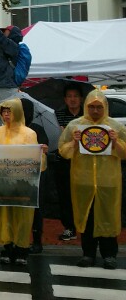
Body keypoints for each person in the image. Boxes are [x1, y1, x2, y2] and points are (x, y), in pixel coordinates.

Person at [58, 90, 126, 269]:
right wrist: (74, 142)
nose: (95, 110)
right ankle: (88, 254)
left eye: (99, 107)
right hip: (83, 182)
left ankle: (109, 255)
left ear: (105, 107)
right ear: (86, 106)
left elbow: (125, 153)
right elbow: (63, 151)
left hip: (108, 182)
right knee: (86, 218)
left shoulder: (115, 127)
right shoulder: (75, 126)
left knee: (108, 218)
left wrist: (115, 142)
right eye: (91, 107)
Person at [0, 98, 47, 267]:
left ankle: (22, 248)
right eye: (4, 111)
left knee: (23, 216)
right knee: (3, 215)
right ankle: (6, 247)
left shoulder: (29, 133)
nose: (6, 115)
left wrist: (40, 154)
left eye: (10, 111)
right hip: (2, 183)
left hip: (22, 184)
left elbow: (36, 162)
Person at [53, 83, 84, 241]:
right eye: (69, 97)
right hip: (63, 161)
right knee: (65, 196)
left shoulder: (87, 116)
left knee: (83, 195)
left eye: (75, 96)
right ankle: (69, 227)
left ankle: (84, 226)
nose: (73, 100)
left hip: (84, 162)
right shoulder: (57, 115)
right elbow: (54, 140)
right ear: (65, 99)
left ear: (81, 99)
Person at [20, 96, 50, 254]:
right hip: (16, 176)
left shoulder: (36, 129)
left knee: (36, 208)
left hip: (35, 175)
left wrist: (42, 147)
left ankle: (37, 240)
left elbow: (45, 146)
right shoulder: (10, 129)